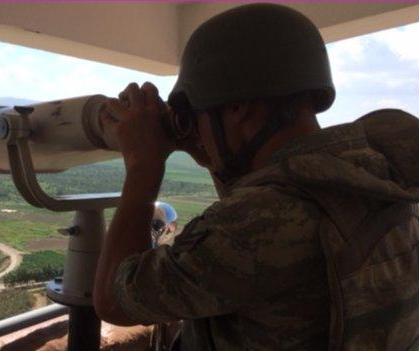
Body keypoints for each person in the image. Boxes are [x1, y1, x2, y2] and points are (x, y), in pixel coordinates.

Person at [93, 3, 419, 351]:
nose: (198, 132)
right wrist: (207, 151)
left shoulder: (253, 225)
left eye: (200, 118)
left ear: (238, 109)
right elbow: (262, 213)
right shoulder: (372, 178)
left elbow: (114, 300)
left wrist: (144, 165)